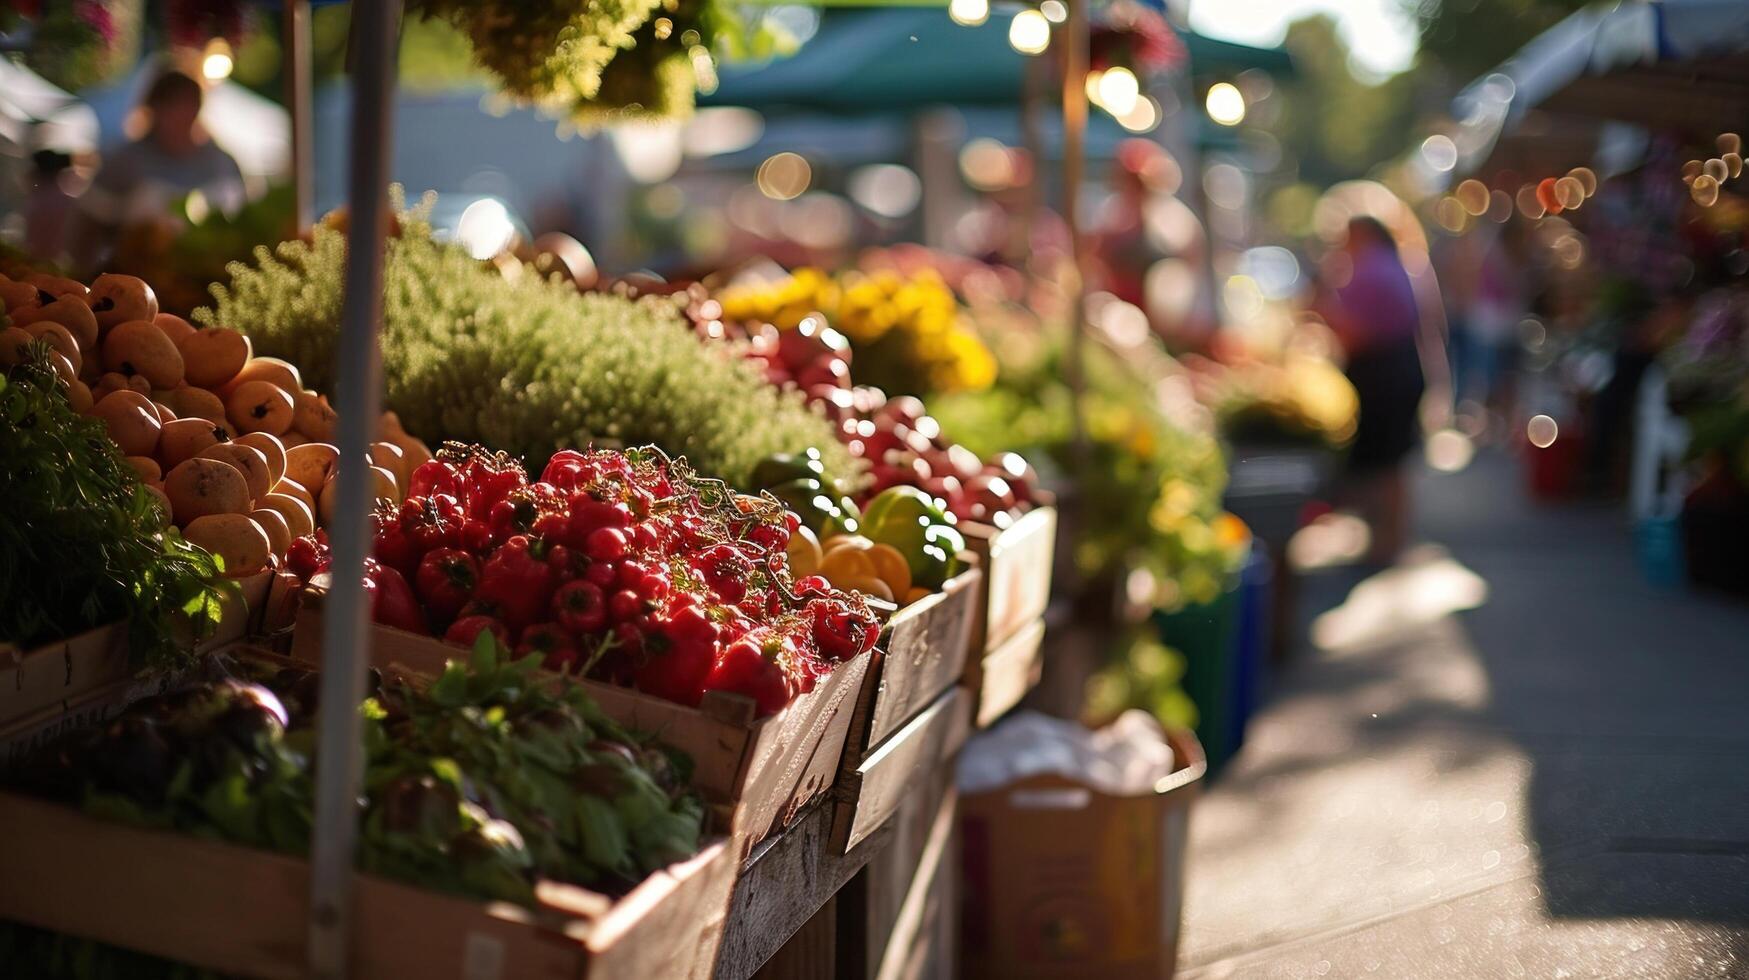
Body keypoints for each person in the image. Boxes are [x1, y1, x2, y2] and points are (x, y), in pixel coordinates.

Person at [1315, 217, 1429, 564]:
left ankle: (1386, 541)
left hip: (1383, 375)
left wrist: (1322, 309)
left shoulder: (1368, 270)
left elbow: (1355, 333)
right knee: (1391, 464)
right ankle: (1389, 538)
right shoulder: (1390, 264)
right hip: (1397, 369)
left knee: (1383, 464)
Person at [72, 67, 245, 272]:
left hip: (212, 283)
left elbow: (244, 230)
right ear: (154, 108)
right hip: (138, 284)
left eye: (188, 105)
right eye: (173, 105)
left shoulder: (223, 163)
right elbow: (86, 231)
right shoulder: (125, 161)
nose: (181, 114)